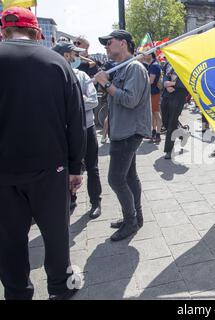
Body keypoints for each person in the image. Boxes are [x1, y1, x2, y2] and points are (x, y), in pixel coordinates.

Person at [0, 7, 86, 300]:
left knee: (9, 239)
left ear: (4, 31)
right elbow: (76, 121)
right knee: (56, 233)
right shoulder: (58, 64)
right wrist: (76, 167)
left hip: (3, 173)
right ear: (37, 33)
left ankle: (16, 292)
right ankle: (60, 287)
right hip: (51, 170)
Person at [94, 30, 152, 242]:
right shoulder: (122, 67)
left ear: (124, 43)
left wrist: (107, 84)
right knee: (129, 177)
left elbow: (130, 100)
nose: (106, 46)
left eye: (109, 42)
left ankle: (131, 222)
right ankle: (136, 217)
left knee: (115, 179)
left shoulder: (135, 68)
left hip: (129, 132)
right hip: (122, 130)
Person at [53, 42, 103, 220]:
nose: (76, 58)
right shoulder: (52, 76)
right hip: (63, 132)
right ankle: (70, 199)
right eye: (74, 54)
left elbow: (93, 101)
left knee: (92, 167)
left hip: (86, 129)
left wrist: (76, 102)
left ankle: (95, 202)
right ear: (65, 55)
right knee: (65, 168)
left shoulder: (82, 76)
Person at [160, 64, 188, 160]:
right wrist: (166, 85)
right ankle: (182, 133)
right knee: (165, 121)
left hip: (179, 96)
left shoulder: (185, 63)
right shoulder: (168, 64)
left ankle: (168, 150)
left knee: (172, 122)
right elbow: (164, 76)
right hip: (166, 94)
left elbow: (187, 81)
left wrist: (173, 84)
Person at [144, 52, 163, 143]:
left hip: (154, 93)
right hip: (153, 92)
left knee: (155, 113)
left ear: (150, 55)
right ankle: (154, 133)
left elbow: (150, 81)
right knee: (154, 113)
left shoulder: (154, 66)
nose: (144, 56)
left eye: (145, 54)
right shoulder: (153, 65)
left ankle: (158, 134)